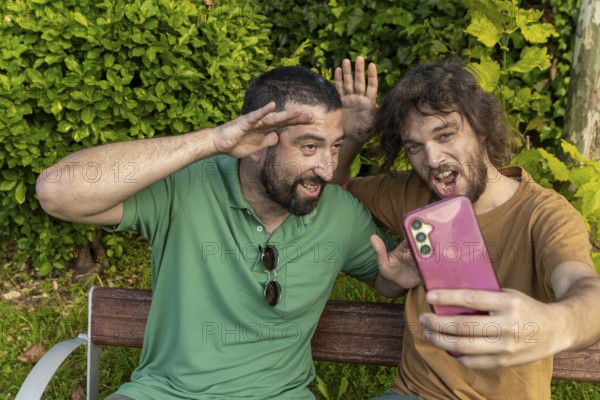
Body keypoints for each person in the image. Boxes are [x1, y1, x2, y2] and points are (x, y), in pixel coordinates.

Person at [36, 65, 400, 399]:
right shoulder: (186, 188)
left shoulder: (338, 212)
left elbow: (388, 280)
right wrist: (212, 141)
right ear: (258, 143)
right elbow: (56, 192)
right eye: (309, 146)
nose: (326, 168)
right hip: (164, 393)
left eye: (334, 147)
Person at [334, 57, 600, 399]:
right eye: (415, 146)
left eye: (445, 134)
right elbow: (331, 194)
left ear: (482, 129)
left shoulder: (544, 214)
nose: (432, 159)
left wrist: (555, 326)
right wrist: (352, 139)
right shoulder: (412, 192)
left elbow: (585, 287)